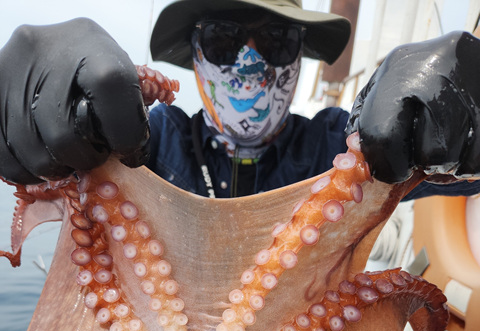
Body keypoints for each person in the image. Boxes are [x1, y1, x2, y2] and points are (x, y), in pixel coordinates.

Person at [0, 0, 480, 203]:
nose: (251, 64)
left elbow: (461, 178)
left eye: (276, 42)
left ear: (300, 56)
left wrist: (460, 112)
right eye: (223, 42)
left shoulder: (340, 149)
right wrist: (35, 109)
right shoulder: (146, 146)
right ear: (195, 55)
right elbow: (56, 164)